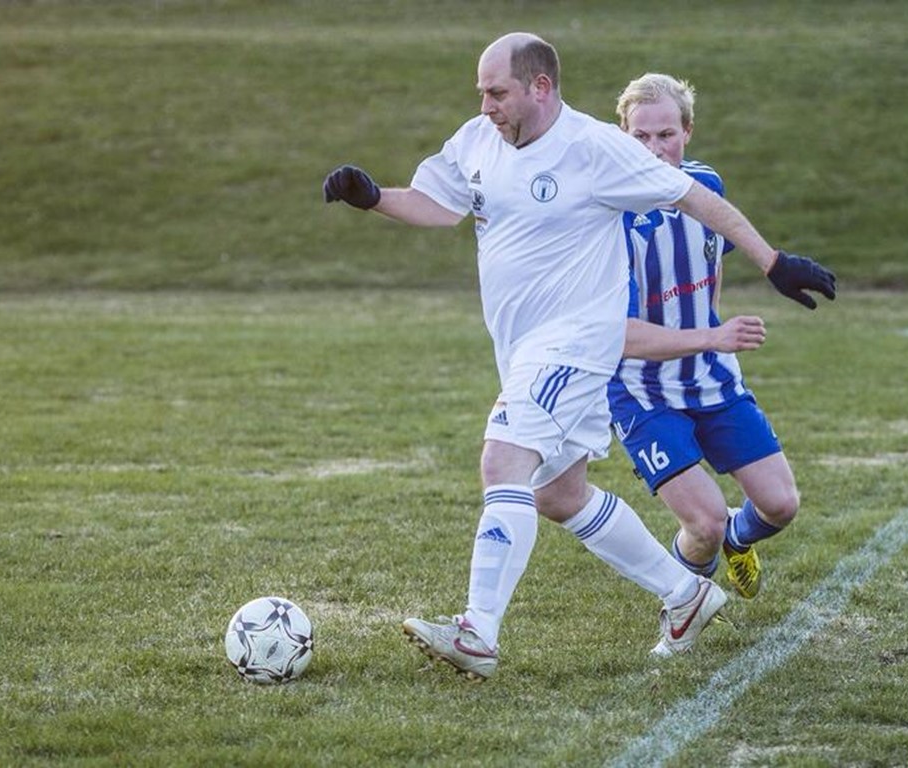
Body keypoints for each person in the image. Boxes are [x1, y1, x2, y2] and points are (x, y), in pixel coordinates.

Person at [322, 33, 835, 681]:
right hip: (526, 350)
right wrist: (374, 197)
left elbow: (693, 197)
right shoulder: (480, 139)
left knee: (501, 460)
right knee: (557, 494)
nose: (486, 105)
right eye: (482, 92)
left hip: (577, 344)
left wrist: (773, 262)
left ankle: (477, 630)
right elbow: (438, 205)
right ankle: (686, 594)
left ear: (540, 87)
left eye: (498, 92)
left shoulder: (595, 147)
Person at [609, 73, 816, 602]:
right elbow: (623, 337)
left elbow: (712, 263)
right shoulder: (608, 221)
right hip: (641, 390)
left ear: (688, 131)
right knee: (704, 525)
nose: (655, 149)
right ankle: (680, 615)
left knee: (780, 505)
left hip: (711, 377)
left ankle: (740, 541)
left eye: (666, 135)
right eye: (641, 137)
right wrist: (712, 335)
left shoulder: (709, 187)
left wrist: (711, 329)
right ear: (622, 134)